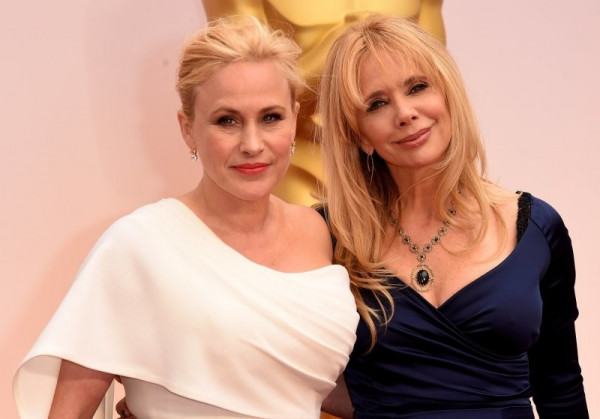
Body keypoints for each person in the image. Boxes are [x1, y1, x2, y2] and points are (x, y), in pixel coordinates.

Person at [13, 16, 359, 419]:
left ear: (294, 119)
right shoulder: (138, 245)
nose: (252, 143)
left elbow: (303, 381)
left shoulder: (320, 231)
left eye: (270, 117)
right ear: (188, 129)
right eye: (227, 120)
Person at [317, 15, 588, 418]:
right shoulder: (327, 236)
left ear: (447, 94)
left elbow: (560, 385)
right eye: (377, 104)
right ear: (358, 135)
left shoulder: (536, 227)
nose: (405, 113)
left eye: (417, 87)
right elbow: (283, 371)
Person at [200, 0, 446, 206]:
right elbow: (245, 87)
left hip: (399, 159)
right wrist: (353, 48)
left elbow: (437, 73)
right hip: (305, 164)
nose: (406, 111)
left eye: (416, 89)